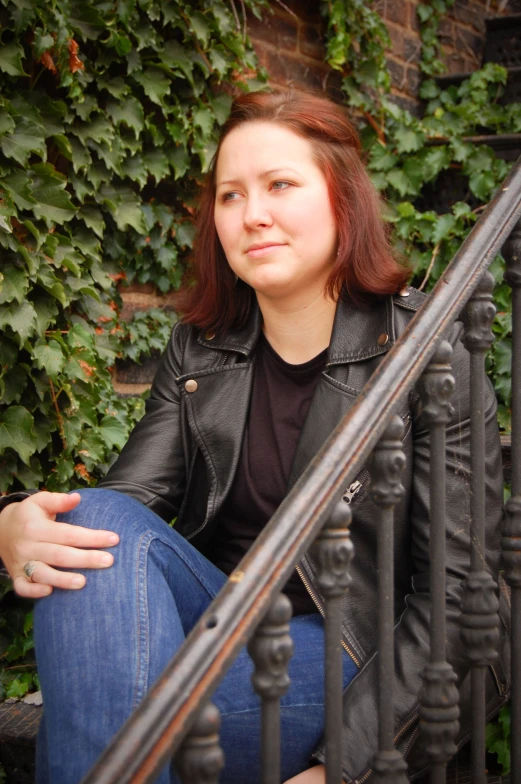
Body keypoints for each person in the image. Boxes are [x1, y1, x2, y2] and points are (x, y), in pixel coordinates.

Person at [0, 88, 509, 784]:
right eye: (230, 195)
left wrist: (342, 768)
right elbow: (125, 508)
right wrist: (19, 522)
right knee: (89, 519)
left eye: (279, 185)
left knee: (117, 713)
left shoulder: (428, 354)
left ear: (342, 199)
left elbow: (460, 603)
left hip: (348, 644)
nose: (252, 215)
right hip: (217, 616)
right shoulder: (200, 349)